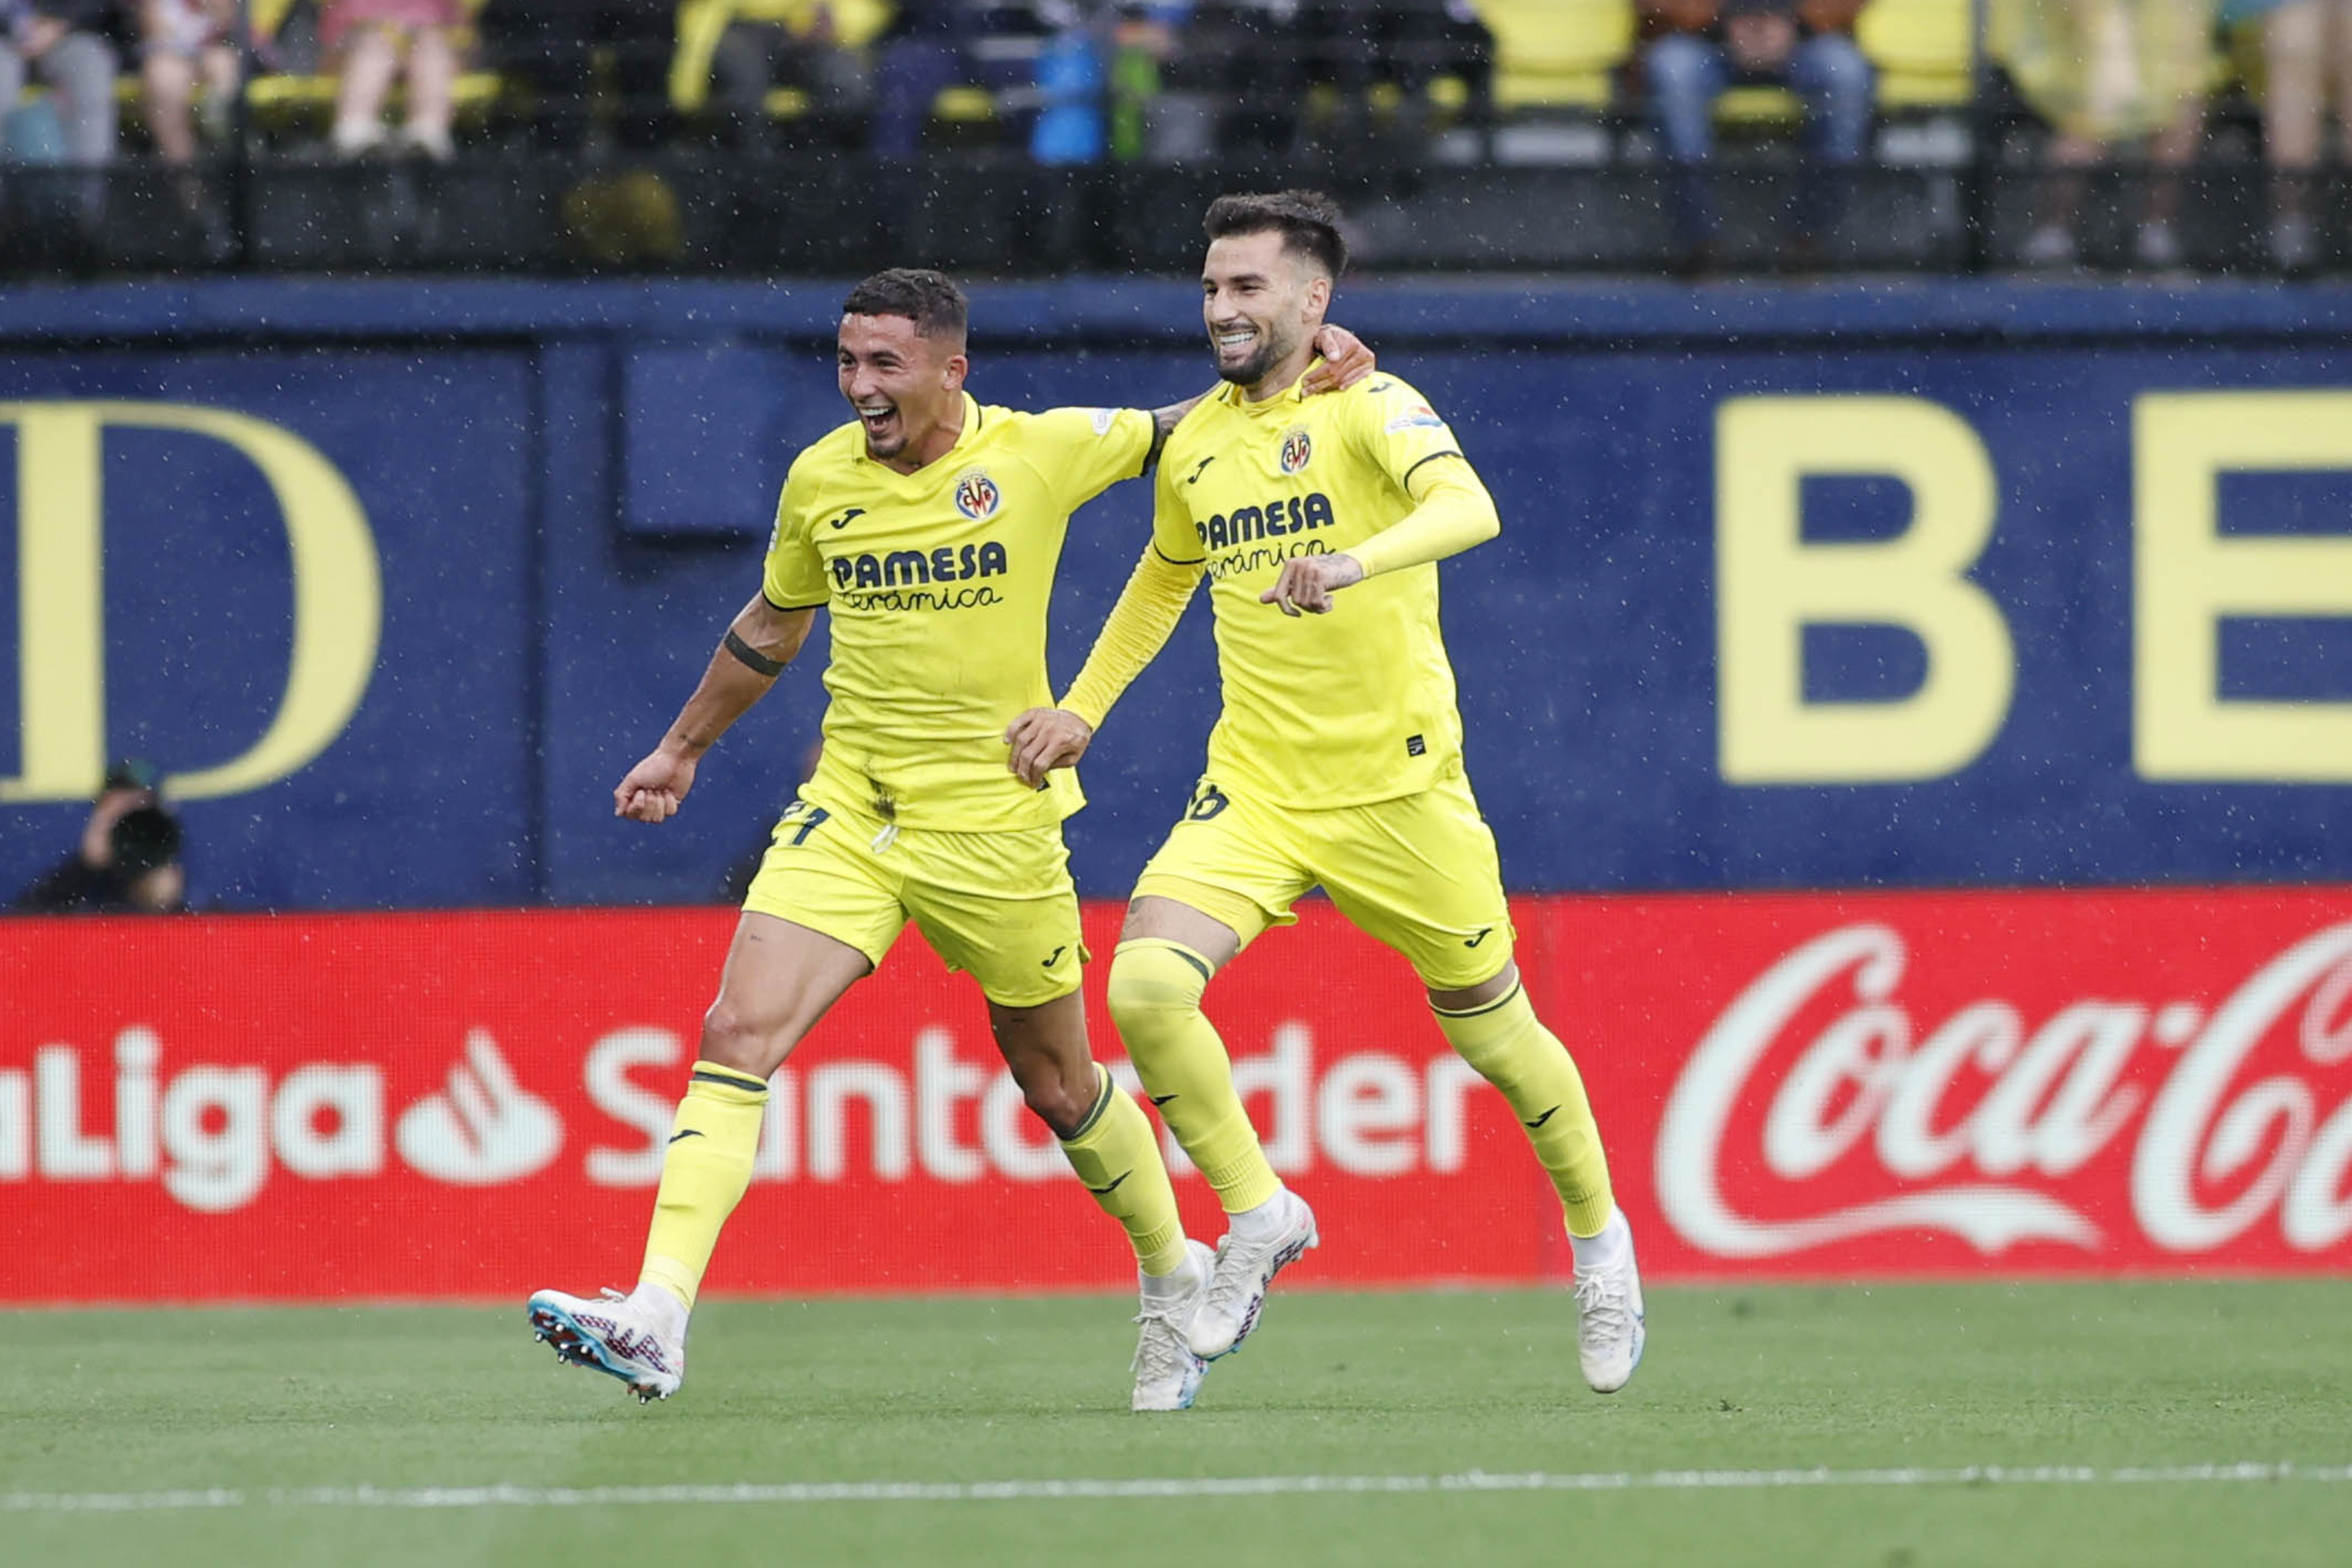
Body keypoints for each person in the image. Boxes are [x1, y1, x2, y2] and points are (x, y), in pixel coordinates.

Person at [525, 268, 1373, 1412]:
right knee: (736, 1030)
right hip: (852, 811)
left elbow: (1190, 424)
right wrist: (682, 748)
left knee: (1059, 1081)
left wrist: (1301, 373)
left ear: (948, 369)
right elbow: (774, 622)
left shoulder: (1040, 449)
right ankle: (658, 1314)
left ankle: (1172, 1270)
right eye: (845, 362)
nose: (860, 387)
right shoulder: (820, 478)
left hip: (995, 827)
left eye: (884, 364)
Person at [1004, 190, 1646, 1395]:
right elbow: (1160, 579)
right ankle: (1258, 1212)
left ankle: (1600, 1243)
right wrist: (1083, 707)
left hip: (1399, 792)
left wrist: (1354, 558)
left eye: (1247, 287)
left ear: (1314, 300)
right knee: (1143, 986)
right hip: (1255, 784)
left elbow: (1470, 507)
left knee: (1499, 1042)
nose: (1221, 309)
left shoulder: (1372, 404)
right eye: (1209, 287)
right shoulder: (1196, 439)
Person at [1639, 0, 1876, 274]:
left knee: (1846, 73)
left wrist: (1797, 19)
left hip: (1806, 43)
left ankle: (1808, 239)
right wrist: (1719, 19)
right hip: (1704, 43)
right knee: (1672, 70)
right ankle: (1699, 243)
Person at [15, 759, 191, 914]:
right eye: (116, 810)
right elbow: (22, 930)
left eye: (137, 810)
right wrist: (85, 866)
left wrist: (167, 904)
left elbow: (205, 939)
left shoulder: (183, 875)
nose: (128, 824)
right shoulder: (78, 882)